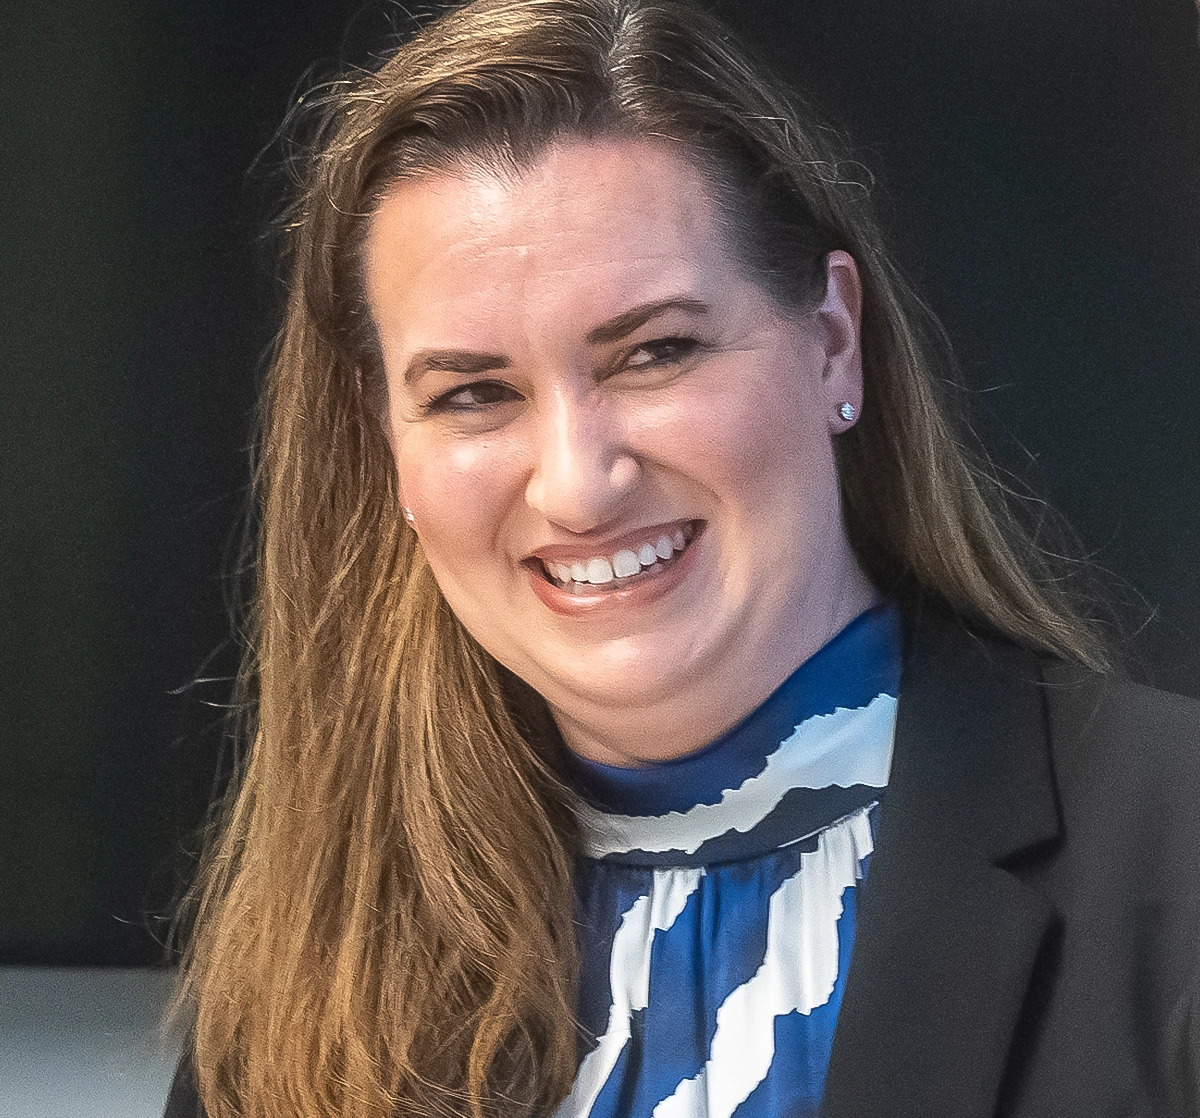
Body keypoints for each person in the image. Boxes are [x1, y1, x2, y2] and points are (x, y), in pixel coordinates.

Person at [165, 1, 1200, 1115]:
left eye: (655, 352)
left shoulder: (1172, 849)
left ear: (834, 341)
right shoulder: (302, 970)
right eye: (473, 393)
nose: (576, 481)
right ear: (389, 451)